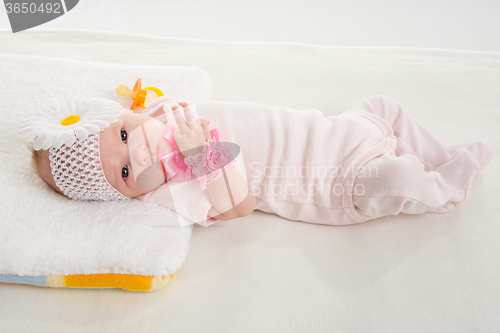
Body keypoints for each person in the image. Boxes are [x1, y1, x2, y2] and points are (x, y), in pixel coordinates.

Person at [21, 95, 493, 227]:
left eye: (124, 134)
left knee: (384, 108)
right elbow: (238, 207)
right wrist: (199, 157)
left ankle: (437, 157)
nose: (138, 151)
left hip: (335, 130)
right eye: (124, 171)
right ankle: (441, 187)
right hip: (334, 181)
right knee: (393, 179)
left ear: (129, 115)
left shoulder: (163, 113)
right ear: (133, 194)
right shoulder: (171, 192)